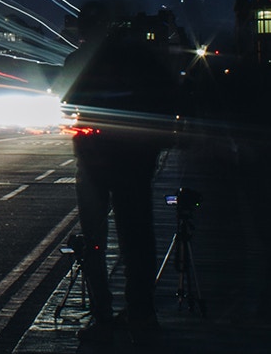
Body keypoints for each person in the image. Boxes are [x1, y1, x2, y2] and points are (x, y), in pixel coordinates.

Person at [58, 18, 178, 345]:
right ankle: (142, 315)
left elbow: (64, 101)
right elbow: (171, 99)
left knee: (95, 241)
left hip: (95, 161)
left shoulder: (80, 61)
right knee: (138, 239)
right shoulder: (145, 59)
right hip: (136, 161)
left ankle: (103, 317)